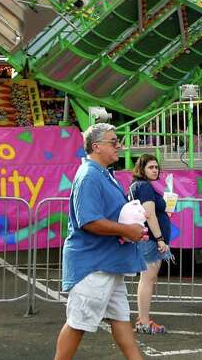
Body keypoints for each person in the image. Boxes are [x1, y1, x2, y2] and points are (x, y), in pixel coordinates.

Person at [55, 123, 144, 360]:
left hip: (107, 263)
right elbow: (89, 221)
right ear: (96, 147)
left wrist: (132, 223)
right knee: (77, 323)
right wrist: (126, 229)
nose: (119, 146)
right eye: (113, 142)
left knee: (121, 319)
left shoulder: (102, 173)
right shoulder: (89, 176)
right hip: (93, 265)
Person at [129, 154, 173, 335]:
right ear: (142, 169)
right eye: (150, 167)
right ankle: (144, 322)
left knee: (148, 278)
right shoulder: (144, 187)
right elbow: (149, 215)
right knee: (147, 278)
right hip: (151, 240)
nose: (155, 170)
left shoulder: (139, 186)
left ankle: (143, 320)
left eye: (156, 167)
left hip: (148, 238)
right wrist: (160, 238)